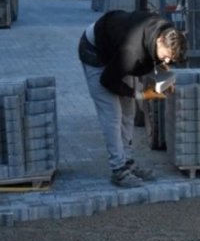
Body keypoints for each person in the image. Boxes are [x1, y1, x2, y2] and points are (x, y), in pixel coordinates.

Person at [77, 10, 187, 188]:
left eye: (171, 59)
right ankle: (118, 169)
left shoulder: (167, 33)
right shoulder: (131, 53)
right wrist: (142, 95)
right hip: (95, 51)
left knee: (129, 111)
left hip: (116, 46)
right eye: (166, 56)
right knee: (113, 115)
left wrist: (163, 76)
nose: (167, 60)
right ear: (159, 40)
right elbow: (107, 81)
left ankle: (127, 161)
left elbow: (153, 61)